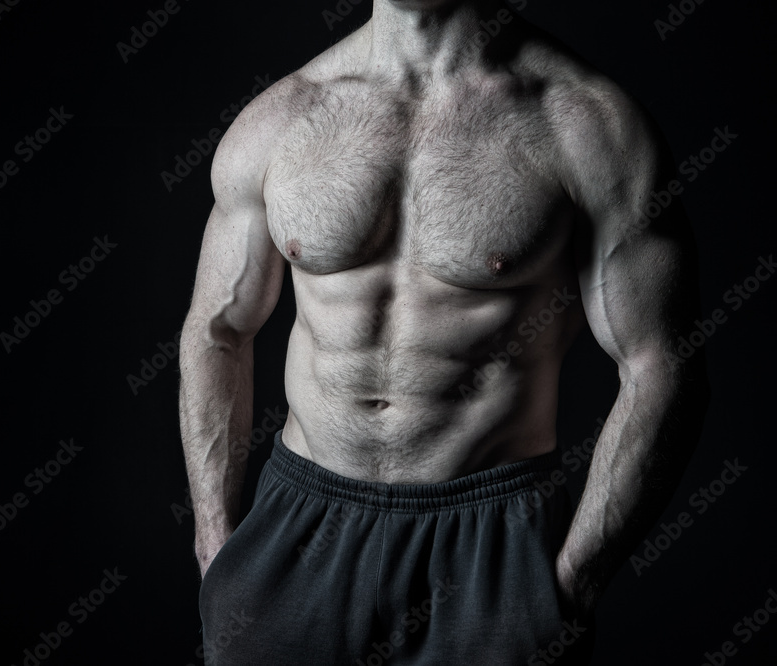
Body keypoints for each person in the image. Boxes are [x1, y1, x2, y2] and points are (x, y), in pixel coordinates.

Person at [178, 0, 710, 663]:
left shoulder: (584, 122)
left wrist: (573, 581)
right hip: (297, 528)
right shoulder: (281, 119)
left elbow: (661, 362)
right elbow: (216, 332)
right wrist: (214, 540)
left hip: (488, 544)